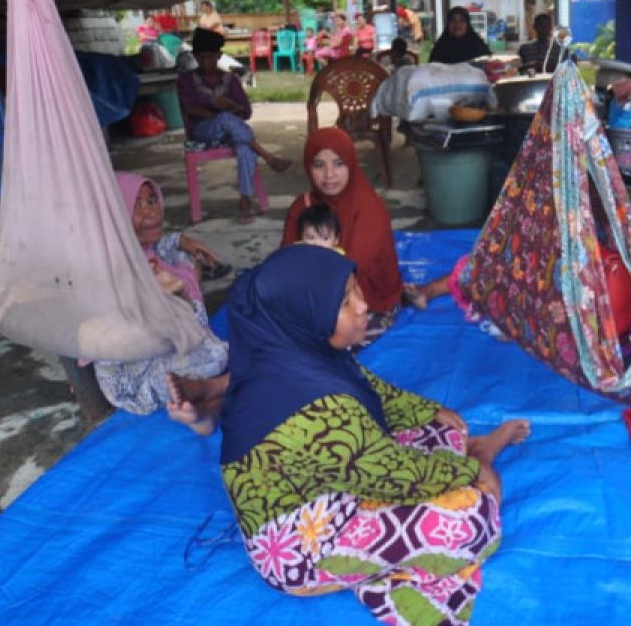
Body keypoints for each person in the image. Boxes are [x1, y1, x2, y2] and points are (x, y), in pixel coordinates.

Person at [214, 245, 528, 622]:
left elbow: (375, 392)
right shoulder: (314, 408)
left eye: (356, 291)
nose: (363, 306)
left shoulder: (295, 353)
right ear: (307, 315)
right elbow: (395, 476)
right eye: (345, 302)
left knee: (431, 428)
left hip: (333, 483)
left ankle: (461, 460)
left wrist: (428, 411)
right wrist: (471, 472)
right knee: (470, 518)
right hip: (301, 546)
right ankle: (476, 456)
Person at [90, 172, 230, 428]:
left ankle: (206, 403)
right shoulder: (129, 273)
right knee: (220, 355)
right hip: (131, 381)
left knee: (180, 262)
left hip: (146, 357)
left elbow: (160, 245)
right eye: (137, 205)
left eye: (152, 200)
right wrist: (185, 292)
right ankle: (207, 392)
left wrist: (183, 241)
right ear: (116, 215)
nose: (152, 212)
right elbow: (194, 329)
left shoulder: (124, 251)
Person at [281, 128, 404, 343]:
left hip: (366, 299)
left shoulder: (369, 207)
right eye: (319, 165)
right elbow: (286, 261)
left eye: (339, 163)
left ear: (351, 164)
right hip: (315, 295)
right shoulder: (302, 207)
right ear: (308, 167)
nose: (329, 174)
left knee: (326, 343)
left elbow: (349, 272)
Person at [177, 28, 293, 223]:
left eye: (211, 57)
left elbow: (245, 112)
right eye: (201, 57)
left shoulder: (230, 80)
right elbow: (188, 108)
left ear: (219, 56)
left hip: (232, 132)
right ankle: (269, 157)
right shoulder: (186, 80)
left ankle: (245, 200)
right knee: (225, 119)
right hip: (202, 132)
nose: (206, 62)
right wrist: (215, 111)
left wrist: (231, 106)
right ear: (195, 56)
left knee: (244, 146)